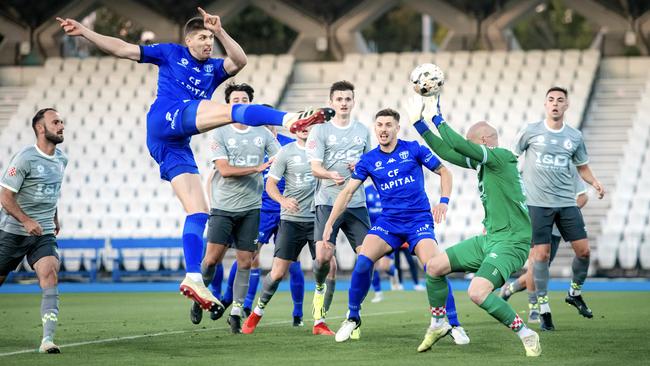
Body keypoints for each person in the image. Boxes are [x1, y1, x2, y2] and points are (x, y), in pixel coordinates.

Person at [57, 8, 333, 312]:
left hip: (173, 144)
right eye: (202, 37)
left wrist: (221, 30)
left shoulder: (214, 68)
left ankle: (192, 277)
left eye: (210, 39)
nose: (208, 43)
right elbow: (122, 48)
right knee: (229, 110)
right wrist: (85, 32)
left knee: (199, 212)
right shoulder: (169, 53)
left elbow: (240, 61)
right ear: (188, 40)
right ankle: (291, 118)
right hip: (165, 119)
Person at [411, 97, 541, 357]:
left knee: (477, 292)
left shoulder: (502, 157)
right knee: (434, 266)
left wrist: (436, 117)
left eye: (471, 146)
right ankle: (438, 323)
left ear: (482, 142)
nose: (466, 151)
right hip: (490, 239)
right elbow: (448, 152)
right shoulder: (486, 164)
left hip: (511, 243)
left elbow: (457, 144)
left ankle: (526, 333)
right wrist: (418, 123)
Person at [326, 108, 456, 344]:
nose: (383, 129)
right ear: (375, 129)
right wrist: (329, 224)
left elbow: (444, 171)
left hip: (418, 221)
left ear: (397, 128)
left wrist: (444, 201)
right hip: (389, 223)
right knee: (364, 260)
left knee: (434, 267)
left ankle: (454, 323)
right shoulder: (369, 160)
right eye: (379, 125)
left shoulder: (413, 149)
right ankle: (352, 317)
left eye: (388, 125)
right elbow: (346, 192)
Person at [513, 86, 605, 331]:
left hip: (566, 203)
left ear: (566, 106)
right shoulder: (531, 131)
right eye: (551, 99)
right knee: (540, 257)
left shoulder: (574, 137)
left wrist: (594, 182)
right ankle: (543, 309)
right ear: (545, 104)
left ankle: (574, 293)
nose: (555, 103)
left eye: (560, 100)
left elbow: (582, 166)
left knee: (584, 252)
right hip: (537, 205)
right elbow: (512, 158)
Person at [196, 83, 281, 333]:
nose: (240, 102)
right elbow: (224, 170)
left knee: (246, 261)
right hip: (223, 208)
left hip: (251, 208)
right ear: (228, 104)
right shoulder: (219, 133)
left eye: (245, 99)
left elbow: (280, 158)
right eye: (235, 99)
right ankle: (199, 297)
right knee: (211, 260)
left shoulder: (263, 134)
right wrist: (257, 168)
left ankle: (235, 310)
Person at [306, 81, 371, 335]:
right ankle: (320, 287)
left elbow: (370, 164)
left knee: (367, 256)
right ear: (332, 102)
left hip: (356, 203)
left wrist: (361, 169)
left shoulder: (363, 131)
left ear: (353, 102)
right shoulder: (320, 131)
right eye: (339, 99)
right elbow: (314, 168)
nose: (344, 103)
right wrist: (329, 174)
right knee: (323, 256)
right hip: (327, 202)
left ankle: (354, 313)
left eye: (348, 99)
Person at [0, 108, 68, 353]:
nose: (61, 126)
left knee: (50, 273)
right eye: (56, 122)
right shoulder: (25, 158)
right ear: (41, 128)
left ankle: (47, 340)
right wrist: (26, 220)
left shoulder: (62, 159)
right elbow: (5, 197)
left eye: (61, 122)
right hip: (13, 231)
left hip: (43, 233)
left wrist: (55, 218)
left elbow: (52, 192)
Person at [241, 124, 316, 334]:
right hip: (267, 209)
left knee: (300, 265)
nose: (265, 127)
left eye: (268, 123)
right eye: (260, 124)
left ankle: (302, 314)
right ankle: (246, 306)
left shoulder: (293, 145)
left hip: (301, 213)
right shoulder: (252, 146)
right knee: (251, 258)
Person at [500, 169, 588, 324]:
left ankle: (509, 289)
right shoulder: (530, 169)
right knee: (534, 264)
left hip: (555, 230)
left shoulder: (568, 168)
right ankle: (534, 308)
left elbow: (583, 196)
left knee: (541, 269)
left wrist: (563, 214)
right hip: (534, 224)